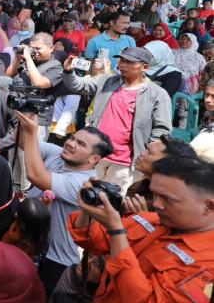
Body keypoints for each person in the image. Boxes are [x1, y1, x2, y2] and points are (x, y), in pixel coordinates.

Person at [68, 157, 214, 302]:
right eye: (155, 194)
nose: (157, 204)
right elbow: (94, 240)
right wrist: (88, 209)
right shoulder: (152, 220)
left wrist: (116, 231)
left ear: (209, 206)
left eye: (168, 199)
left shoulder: (208, 264)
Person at [16, 110, 113, 295]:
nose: (70, 144)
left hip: (54, 261)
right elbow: (24, 143)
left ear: (94, 159)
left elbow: (36, 175)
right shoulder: (59, 152)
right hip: (31, 244)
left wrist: (31, 131)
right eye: (73, 138)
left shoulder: (84, 183)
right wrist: (25, 119)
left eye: (80, 144)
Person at [62, 47, 172, 192]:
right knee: (86, 198)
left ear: (145, 67)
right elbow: (79, 85)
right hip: (96, 156)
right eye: (121, 60)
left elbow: (161, 131)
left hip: (125, 164)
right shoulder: (108, 80)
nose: (122, 65)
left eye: (129, 62)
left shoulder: (157, 94)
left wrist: (148, 158)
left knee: (113, 205)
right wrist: (69, 71)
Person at [124, 134, 197, 212]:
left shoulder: (178, 202)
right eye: (146, 149)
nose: (142, 153)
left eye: (150, 152)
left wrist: (144, 218)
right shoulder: (139, 186)